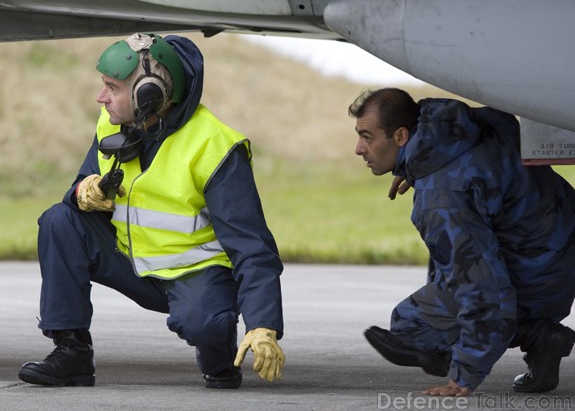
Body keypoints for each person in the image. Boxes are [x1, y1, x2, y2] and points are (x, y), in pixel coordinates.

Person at [18, 33, 285, 389]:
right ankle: (73, 354)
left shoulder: (215, 146)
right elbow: (82, 182)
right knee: (59, 221)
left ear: (149, 93)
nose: (101, 97)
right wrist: (83, 191)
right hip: (131, 260)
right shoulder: (112, 122)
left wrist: (263, 324)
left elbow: (253, 247)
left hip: (195, 274)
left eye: (111, 88)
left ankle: (220, 356)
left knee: (206, 326)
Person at [349, 88, 575, 396]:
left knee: (409, 323)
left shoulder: (442, 199)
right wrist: (415, 169)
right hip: (560, 254)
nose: (359, 149)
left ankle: (539, 335)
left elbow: (484, 291)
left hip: (540, 281)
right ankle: (539, 334)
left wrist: (464, 376)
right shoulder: (467, 126)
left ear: (401, 136)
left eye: (367, 136)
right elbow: (482, 168)